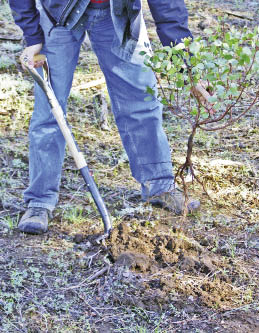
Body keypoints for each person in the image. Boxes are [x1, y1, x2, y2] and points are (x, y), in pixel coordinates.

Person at [8, 0, 201, 235]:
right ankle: (39, 201)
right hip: (58, 12)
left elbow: (167, 3)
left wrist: (187, 64)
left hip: (117, 12)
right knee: (50, 108)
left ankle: (158, 185)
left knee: (141, 100)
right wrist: (32, 34)